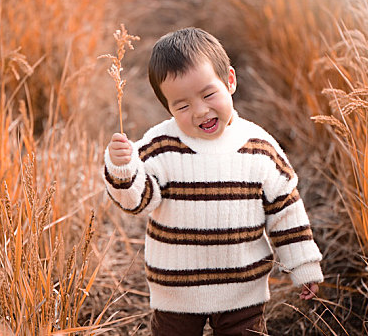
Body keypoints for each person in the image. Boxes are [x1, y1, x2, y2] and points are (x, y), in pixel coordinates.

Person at [103, 27, 323, 335]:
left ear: (230, 81)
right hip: (175, 293)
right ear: (168, 107)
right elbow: (137, 201)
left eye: (208, 94)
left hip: (242, 292)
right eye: (182, 105)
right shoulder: (159, 146)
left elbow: (286, 210)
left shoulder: (259, 147)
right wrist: (123, 167)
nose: (200, 110)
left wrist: (303, 265)